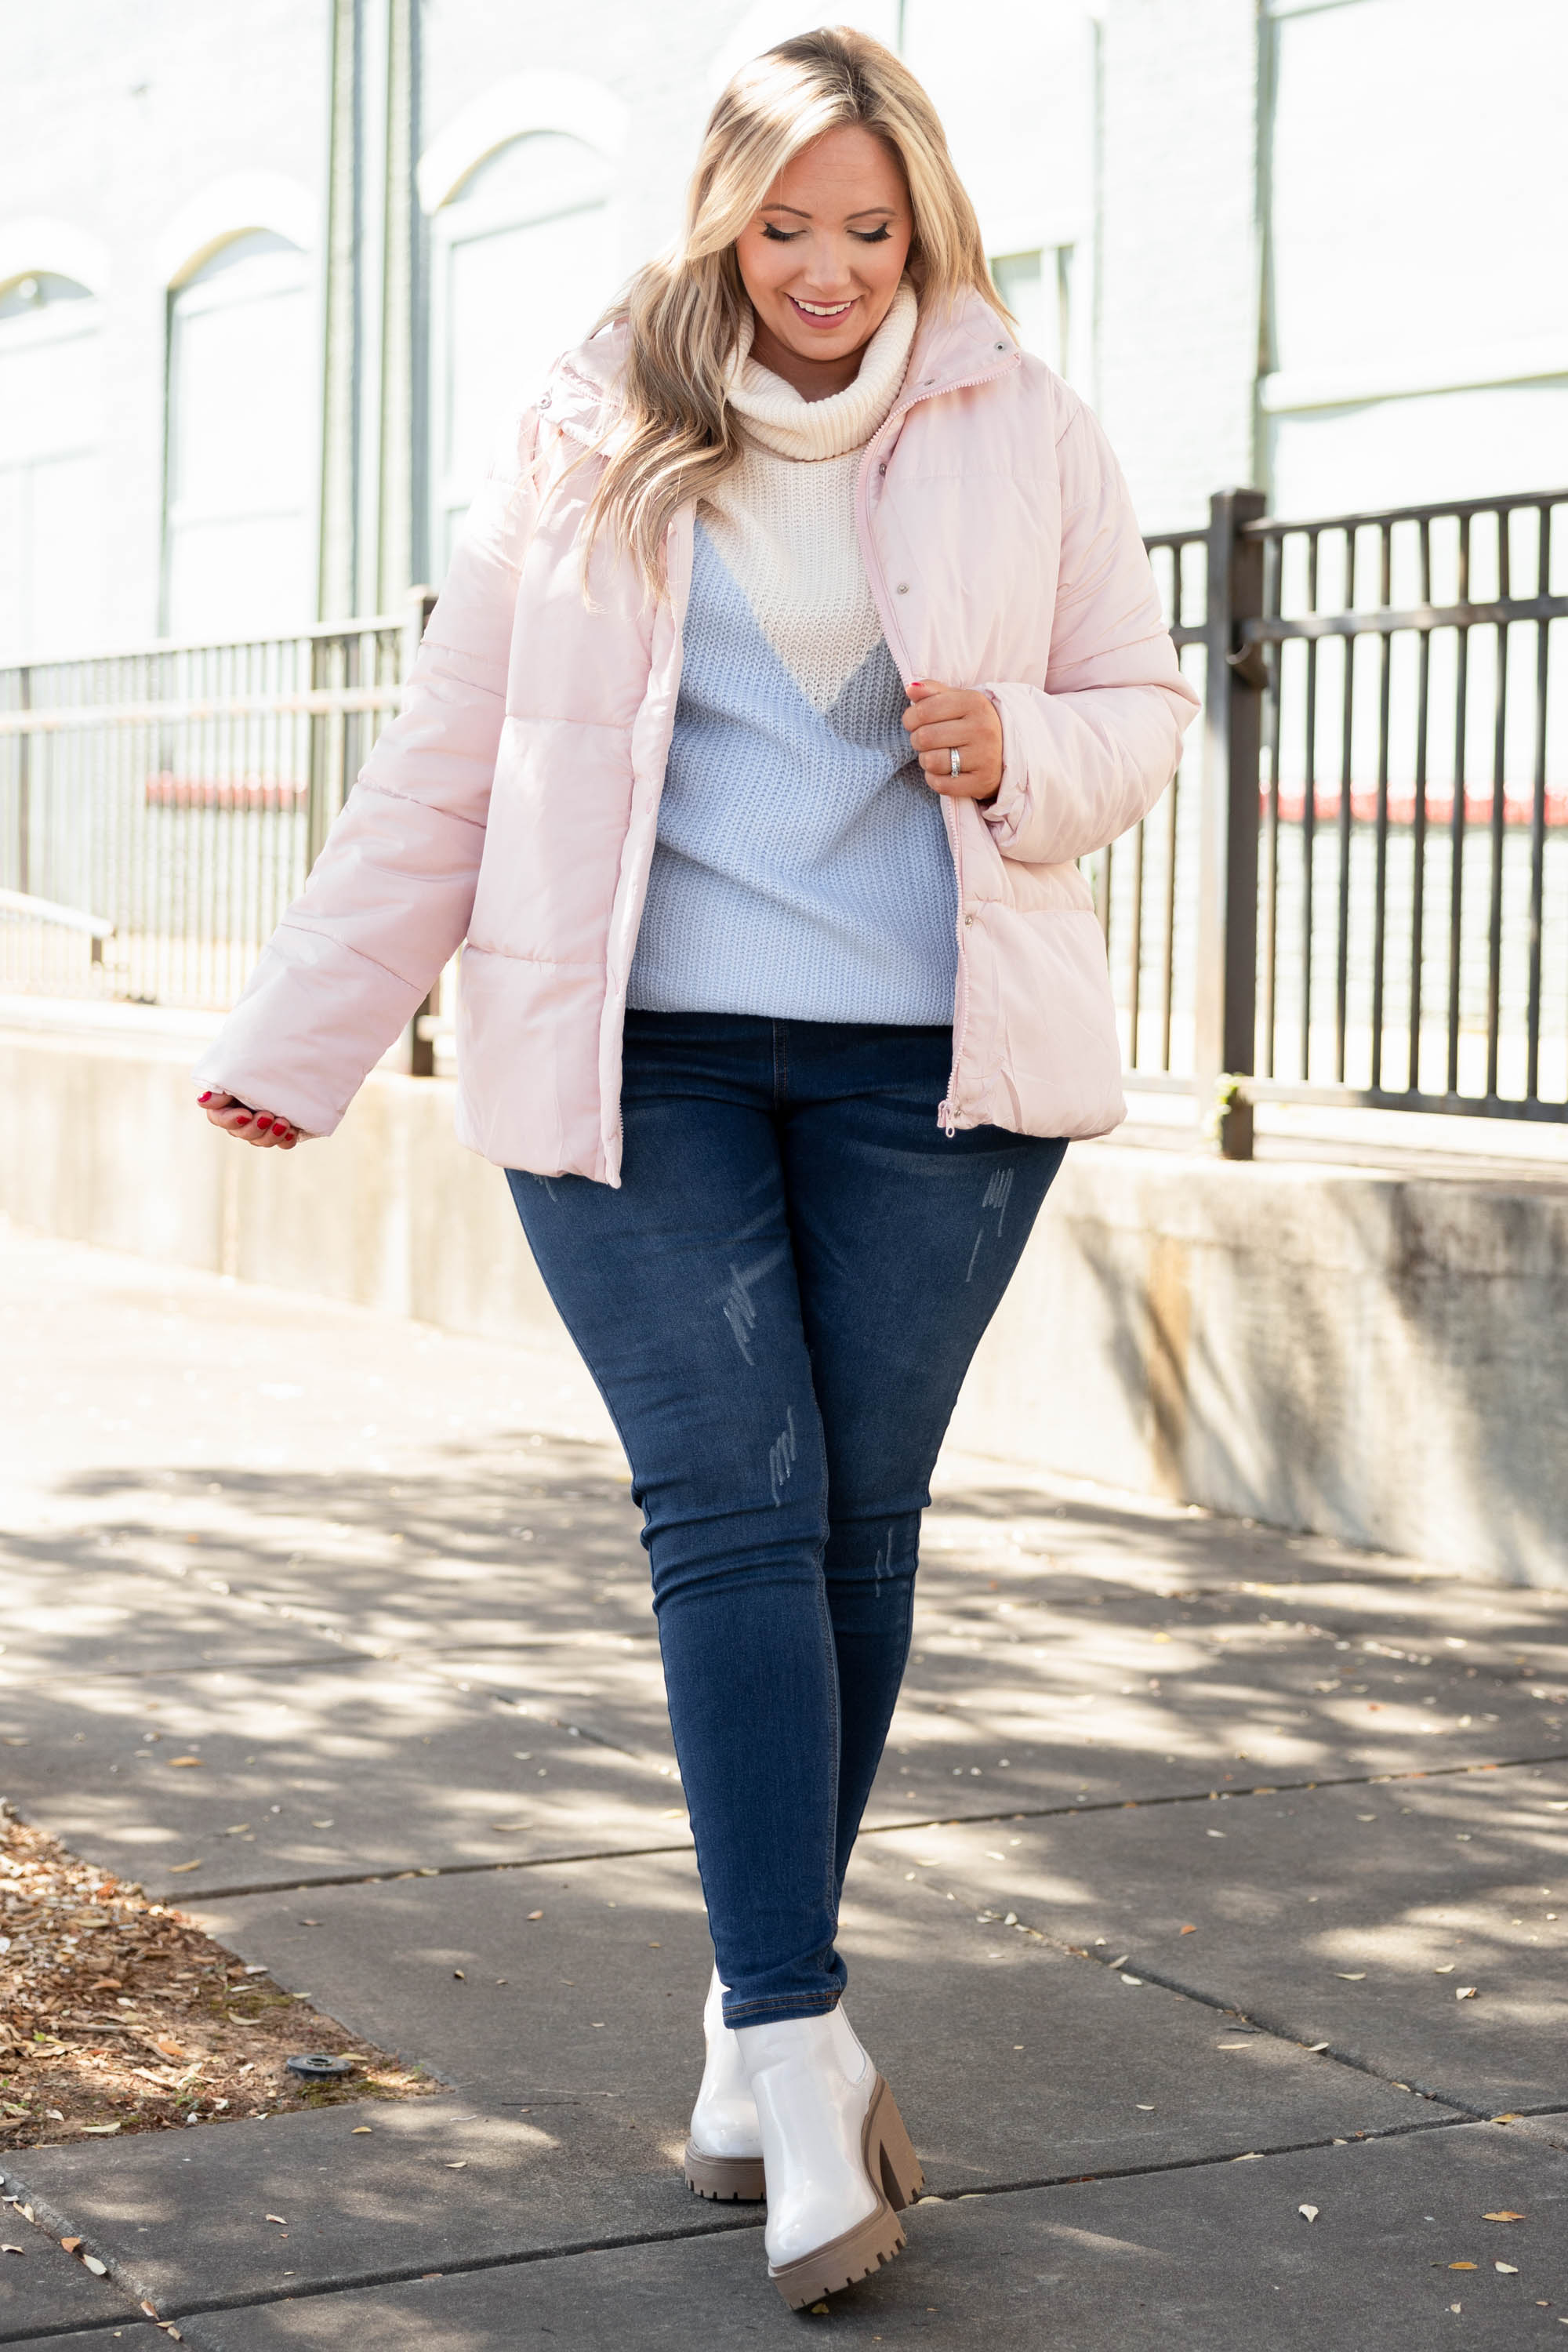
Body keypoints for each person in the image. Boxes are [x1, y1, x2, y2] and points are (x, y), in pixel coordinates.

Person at [194, 25, 1198, 2311]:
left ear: (922, 223)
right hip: (629, 1058)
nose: (833, 272)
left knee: (850, 1523)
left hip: (925, 1080)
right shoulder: (588, 431)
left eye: (874, 229)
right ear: (718, 219)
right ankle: (798, 2041)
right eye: (789, 226)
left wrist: (1018, 743)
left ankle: (763, 2021)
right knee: (728, 1503)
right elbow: (455, 756)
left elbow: (1141, 715)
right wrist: (307, 1035)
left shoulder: (1025, 427)